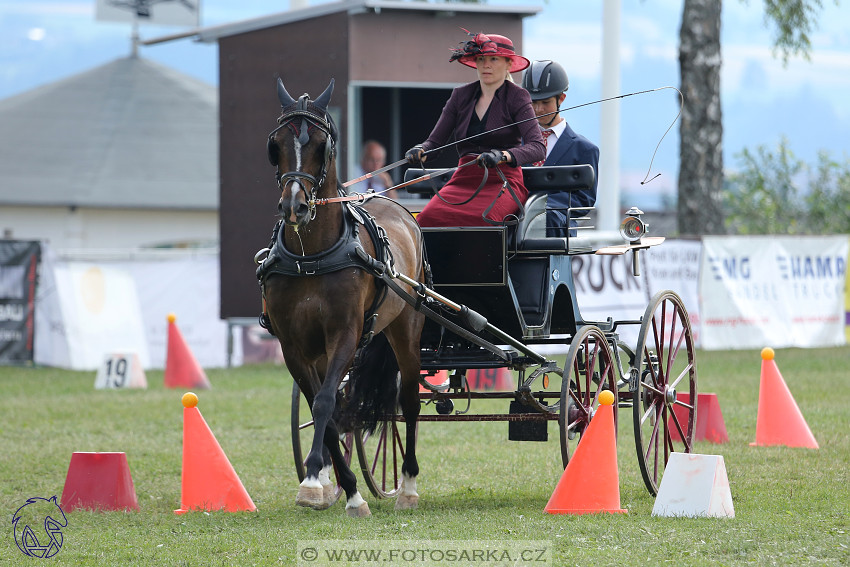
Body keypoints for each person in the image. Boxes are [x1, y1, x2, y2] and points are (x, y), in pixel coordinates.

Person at [405, 31, 545, 227]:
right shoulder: (460, 95)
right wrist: (421, 150)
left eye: (493, 59)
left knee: (483, 220)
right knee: (427, 219)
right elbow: (434, 143)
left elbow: (538, 147)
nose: (485, 65)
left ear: (508, 64)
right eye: (480, 59)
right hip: (462, 179)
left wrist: (503, 155)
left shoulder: (517, 96)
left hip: (503, 180)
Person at [521, 60, 599, 237]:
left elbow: (584, 201)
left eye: (545, 102)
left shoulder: (584, 149)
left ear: (561, 99)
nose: (538, 109)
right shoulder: (514, 144)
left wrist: (537, 207)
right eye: (532, 103)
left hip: (556, 236)